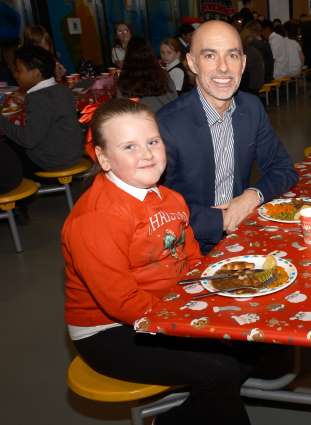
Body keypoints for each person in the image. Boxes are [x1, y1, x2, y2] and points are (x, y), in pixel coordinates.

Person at [63, 98, 251, 425]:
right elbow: (122, 303)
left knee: (255, 343)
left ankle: (192, 410)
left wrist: (213, 299)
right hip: (109, 331)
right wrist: (191, 324)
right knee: (220, 370)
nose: (147, 154)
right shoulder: (95, 219)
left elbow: (192, 258)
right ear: (104, 159)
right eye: (130, 147)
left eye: (152, 141)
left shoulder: (170, 198)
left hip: (166, 306)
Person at [157, 20, 298, 253]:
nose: (223, 68)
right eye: (210, 56)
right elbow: (157, 209)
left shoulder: (251, 108)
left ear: (242, 64)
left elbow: (283, 168)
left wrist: (251, 196)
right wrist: (221, 219)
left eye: (232, 56)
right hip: (188, 248)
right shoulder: (166, 125)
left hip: (241, 233)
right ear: (192, 63)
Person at [0, 46, 82, 174]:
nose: (15, 75)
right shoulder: (62, 89)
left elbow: (28, 140)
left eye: (19, 70)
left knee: (7, 150)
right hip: (73, 154)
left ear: (36, 73)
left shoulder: (38, 98)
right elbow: (50, 112)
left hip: (52, 162)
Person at [118, 37, 177, 112]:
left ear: (128, 55)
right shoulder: (163, 75)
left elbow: (120, 109)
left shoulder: (124, 79)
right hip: (164, 118)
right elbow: (174, 100)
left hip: (139, 120)